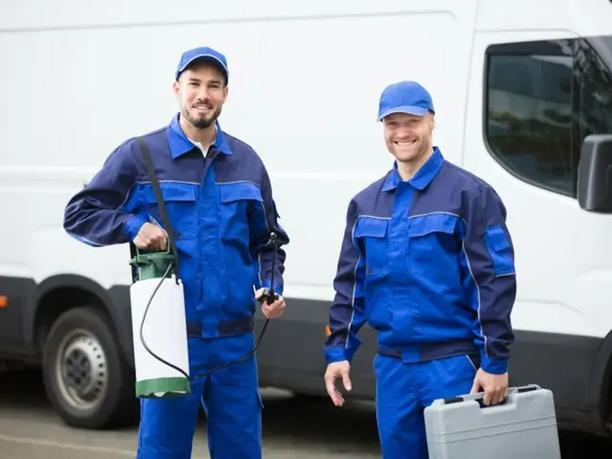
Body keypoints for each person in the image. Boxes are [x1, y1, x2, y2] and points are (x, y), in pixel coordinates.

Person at [64, 46, 288, 459]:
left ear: (225, 94)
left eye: (213, 86)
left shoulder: (247, 162)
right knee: (162, 452)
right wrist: (134, 225)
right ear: (177, 89)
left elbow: (269, 242)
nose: (203, 94)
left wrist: (269, 287)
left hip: (235, 345)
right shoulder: (140, 155)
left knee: (242, 452)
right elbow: (79, 215)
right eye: (194, 84)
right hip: (168, 342)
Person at [323, 81, 516, 458]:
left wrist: (495, 361)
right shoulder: (365, 204)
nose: (401, 132)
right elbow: (350, 286)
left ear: (431, 122)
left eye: (411, 121)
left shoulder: (470, 196)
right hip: (393, 370)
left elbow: (492, 283)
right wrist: (338, 352)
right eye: (391, 123)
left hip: (454, 367)